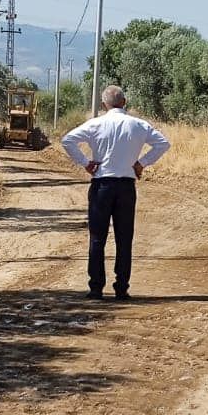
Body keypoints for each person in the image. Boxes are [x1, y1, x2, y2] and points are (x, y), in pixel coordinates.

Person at [61, 86, 170, 300]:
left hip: (101, 185)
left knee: (97, 239)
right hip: (126, 186)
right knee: (124, 238)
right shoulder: (139, 125)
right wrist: (141, 163)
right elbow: (163, 144)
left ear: (104, 105)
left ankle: (96, 288)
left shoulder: (96, 124)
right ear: (125, 102)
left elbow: (68, 140)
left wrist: (85, 162)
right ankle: (122, 288)